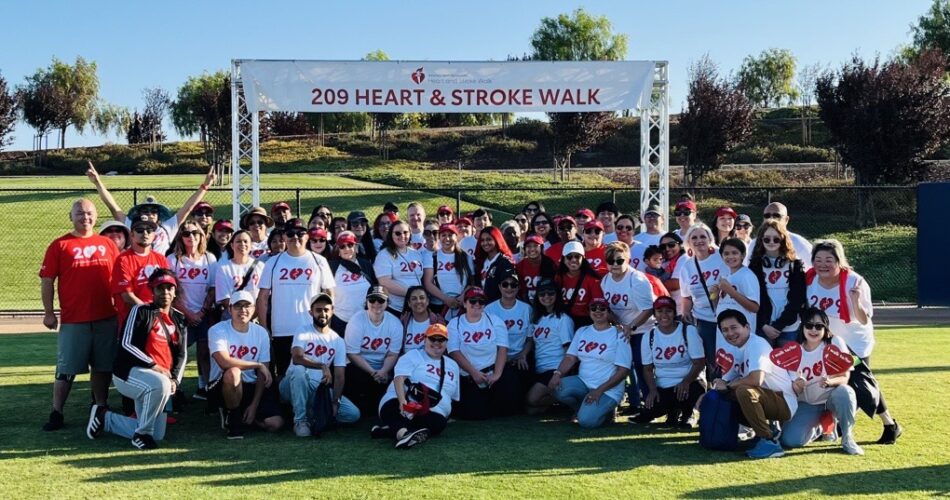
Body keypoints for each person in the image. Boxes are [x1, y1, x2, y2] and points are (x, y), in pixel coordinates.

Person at [807, 239, 901, 444]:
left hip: (854, 346)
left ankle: (888, 424)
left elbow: (864, 318)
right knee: (841, 384)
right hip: (828, 343)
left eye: (829, 260)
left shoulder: (854, 281)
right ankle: (835, 428)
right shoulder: (810, 280)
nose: (823, 264)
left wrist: (856, 301)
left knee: (860, 383)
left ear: (839, 261)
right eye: (818, 259)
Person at [40, 199, 121, 431]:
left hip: (106, 317)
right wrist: (49, 312)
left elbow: (118, 279)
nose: (85, 217)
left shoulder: (107, 244)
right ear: (71, 216)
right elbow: (47, 281)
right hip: (75, 319)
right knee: (66, 369)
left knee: (102, 366)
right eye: (79, 213)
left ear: (96, 216)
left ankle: (100, 406)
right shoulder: (60, 245)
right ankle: (57, 412)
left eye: (89, 213)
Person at [87, 269, 187, 449]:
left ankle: (104, 418)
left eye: (169, 288)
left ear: (175, 291)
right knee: (160, 387)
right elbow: (126, 344)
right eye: (160, 288)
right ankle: (141, 435)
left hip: (160, 379)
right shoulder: (141, 311)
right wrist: (154, 366)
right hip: (130, 373)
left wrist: (175, 380)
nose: (165, 293)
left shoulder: (179, 318)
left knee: (157, 434)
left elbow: (181, 354)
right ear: (152, 290)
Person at [711, 309, 796, 459]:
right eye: (725, 330)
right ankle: (759, 432)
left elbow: (756, 379)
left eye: (734, 327)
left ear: (747, 327)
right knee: (725, 394)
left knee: (744, 391)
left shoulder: (757, 344)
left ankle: (769, 442)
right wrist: (717, 386)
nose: (730, 333)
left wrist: (729, 386)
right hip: (767, 398)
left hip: (784, 402)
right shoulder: (736, 347)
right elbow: (727, 380)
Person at [778, 307, 863, 455]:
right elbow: (793, 389)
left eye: (819, 326)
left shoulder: (835, 342)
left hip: (831, 399)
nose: (814, 330)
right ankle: (821, 427)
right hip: (807, 403)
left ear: (825, 328)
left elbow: (845, 377)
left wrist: (830, 382)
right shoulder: (795, 351)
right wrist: (797, 385)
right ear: (802, 327)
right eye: (809, 325)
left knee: (845, 392)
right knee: (790, 441)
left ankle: (847, 437)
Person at [257, 218, 335, 378]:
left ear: (307, 236)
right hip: (282, 330)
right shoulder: (272, 262)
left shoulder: (319, 261)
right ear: (284, 237)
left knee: (315, 375)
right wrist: (265, 328)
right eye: (290, 234)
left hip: (311, 328)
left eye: (300, 233)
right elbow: (263, 298)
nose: (295, 237)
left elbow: (329, 295)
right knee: (286, 376)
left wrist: (326, 325)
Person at [86, 160, 216, 255]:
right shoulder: (132, 226)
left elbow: (188, 207)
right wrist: (97, 182)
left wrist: (205, 186)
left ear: (159, 215)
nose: (150, 214)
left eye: (154, 211)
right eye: (145, 211)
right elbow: (113, 207)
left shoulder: (167, 228)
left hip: (159, 274)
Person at [280, 293, 360, 437]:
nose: (322, 313)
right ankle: (300, 421)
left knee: (352, 414)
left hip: (317, 390)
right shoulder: (303, 331)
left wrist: (335, 402)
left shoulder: (337, 340)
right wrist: (322, 366)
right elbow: (297, 358)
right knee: (299, 371)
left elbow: (340, 375)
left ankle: (313, 414)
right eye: (318, 310)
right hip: (292, 385)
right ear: (311, 312)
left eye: (326, 309)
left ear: (332, 311)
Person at [208, 291, 283, 439]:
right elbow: (224, 362)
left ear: (254, 309)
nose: (243, 310)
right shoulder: (217, 330)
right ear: (229, 310)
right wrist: (257, 365)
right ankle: (233, 418)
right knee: (234, 372)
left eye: (247, 306)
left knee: (276, 423)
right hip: (222, 383)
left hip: (251, 384)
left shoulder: (261, 333)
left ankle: (249, 418)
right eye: (238, 306)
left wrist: (254, 405)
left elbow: (264, 372)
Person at [374, 323, 461, 449]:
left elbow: (453, 396)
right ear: (424, 339)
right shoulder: (413, 355)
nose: (437, 342)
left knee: (439, 423)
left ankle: (387, 430)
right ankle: (403, 435)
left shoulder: (453, 365)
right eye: (432, 338)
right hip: (405, 402)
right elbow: (399, 378)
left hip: (430, 411)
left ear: (447, 342)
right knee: (393, 408)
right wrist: (402, 402)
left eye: (441, 339)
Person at [549, 298, 632, 428]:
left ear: (608, 312)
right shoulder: (582, 331)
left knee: (586, 422)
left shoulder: (619, 335)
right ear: (589, 312)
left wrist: (599, 390)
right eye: (593, 309)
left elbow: (623, 371)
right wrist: (557, 373)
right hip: (584, 382)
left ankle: (606, 412)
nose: (597, 312)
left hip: (608, 390)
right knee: (557, 388)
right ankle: (582, 409)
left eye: (602, 309)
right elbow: (570, 357)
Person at [601, 241, 658, 413]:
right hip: (623, 329)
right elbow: (610, 308)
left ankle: (651, 405)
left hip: (642, 329)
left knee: (643, 368)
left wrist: (630, 327)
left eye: (619, 260)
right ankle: (634, 404)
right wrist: (616, 324)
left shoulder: (637, 280)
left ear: (628, 260)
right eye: (611, 261)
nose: (615, 265)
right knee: (625, 367)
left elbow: (649, 309)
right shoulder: (605, 280)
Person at [447, 287, 519, 419]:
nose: (477, 305)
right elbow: (453, 351)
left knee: (507, 410)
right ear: (464, 303)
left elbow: (502, 348)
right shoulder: (454, 323)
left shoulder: (495, 321)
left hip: (493, 373)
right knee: (477, 415)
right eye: (472, 301)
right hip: (469, 375)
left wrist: (497, 375)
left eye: (481, 302)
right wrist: (474, 373)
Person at [634, 296, 705, 427]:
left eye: (668, 311)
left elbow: (699, 362)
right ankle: (672, 412)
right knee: (649, 412)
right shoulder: (648, 336)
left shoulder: (688, 330)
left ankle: (688, 413)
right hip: (664, 385)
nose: (664, 315)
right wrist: (652, 390)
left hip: (689, 382)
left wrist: (686, 382)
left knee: (689, 392)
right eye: (660, 311)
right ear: (654, 314)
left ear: (674, 313)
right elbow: (648, 368)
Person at [167, 220, 218, 400]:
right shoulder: (173, 260)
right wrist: (188, 313)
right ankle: (174, 390)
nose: (191, 237)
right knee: (179, 354)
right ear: (180, 237)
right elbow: (170, 293)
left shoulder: (209, 258)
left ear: (201, 236)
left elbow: (213, 288)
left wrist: (201, 312)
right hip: (180, 315)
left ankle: (208, 390)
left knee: (205, 353)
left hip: (203, 314)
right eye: (186, 233)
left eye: (195, 233)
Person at [344, 286, 403, 416]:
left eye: (381, 300)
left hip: (383, 368)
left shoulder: (395, 323)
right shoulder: (356, 321)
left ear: (387, 303)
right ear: (367, 302)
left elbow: (393, 353)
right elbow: (352, 353)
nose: (376, 304)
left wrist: (383, 371)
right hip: (359, 366)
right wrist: (373, 372)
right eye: (372, 300)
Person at [678, 223, 727, 379]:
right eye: (694, 237)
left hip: (727, 316)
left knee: (728, 356)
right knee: (712, 360)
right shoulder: (687, 266)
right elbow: (686, 295)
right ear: (689, 242)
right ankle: (714, 391)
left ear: (709, 239)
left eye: (702, 237)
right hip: (704, 320)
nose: (699, 241)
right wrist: (685, 312)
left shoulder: (721, 256)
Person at [749, 221, 806, 346]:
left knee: (787, 364)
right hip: (764, 326)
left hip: (789, 326)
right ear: (760, 241)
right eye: (767, 239)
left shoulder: (795, 265)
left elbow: (798, 298)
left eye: (776, 239)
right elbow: (753, 298)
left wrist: (779, 325)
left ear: (783, 240)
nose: (771, 242)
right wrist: (763, 324)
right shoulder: (754, 265)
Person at [524, 279, 574, 415]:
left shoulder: (563, 319)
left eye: (550, 293)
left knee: (532, 399)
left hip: (554, 369)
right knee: (530, 411)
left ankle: (572, 400)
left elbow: (569, 352)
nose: (546, 297)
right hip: (540, 368)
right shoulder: (536, 318)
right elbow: (530, 340)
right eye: (542, 294)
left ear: (557, 295)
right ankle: (560, 405)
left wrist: (560, 373)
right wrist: (523, 354)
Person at [112, 217, 170, 331]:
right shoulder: (123, 260)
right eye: (140, 230)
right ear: (132, 234)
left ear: (154, 235)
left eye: (149, 230)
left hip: (158, 320)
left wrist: (162, 315)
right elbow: (127, 296)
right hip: (133, 322)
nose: (145, 233)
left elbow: (168, 290)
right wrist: (151, 313)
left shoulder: (161, 259)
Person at [486, 268, 532, 397]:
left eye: (514, 285)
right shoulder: (489, 309)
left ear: (518, 287)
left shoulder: (526, 309)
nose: (509, 288)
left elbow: (530, 339)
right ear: (500, 287)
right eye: (505, 284)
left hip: (520, 358)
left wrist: (523, 355)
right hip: (497, 360)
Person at [328, 231, 376, 333]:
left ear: (356, 247)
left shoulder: (366, 265)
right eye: (342, 246)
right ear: (338, 250)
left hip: (365, 318)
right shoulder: (331, 267)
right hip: (339, 320)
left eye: (350, 245)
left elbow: (375, 287)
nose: (347, 249)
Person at [423, 223, 473, 318]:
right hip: (439, 305)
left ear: (456, 236)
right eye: (443, 235)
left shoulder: (466, 257)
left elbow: (471, 282)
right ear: (439, 237)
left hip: (462, 304)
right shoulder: (432, 256)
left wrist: (462, 298)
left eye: (450, 235)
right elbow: (428, 283)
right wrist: (446, 299)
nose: (447, 238)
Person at [374, 220, 424, 315]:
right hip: (396, 308)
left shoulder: (416, 253)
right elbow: (385, 282)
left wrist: (418, 298)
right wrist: (413, 295)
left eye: (405, 232)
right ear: (391, 235)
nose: (402, 236)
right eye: (397, 233)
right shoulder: (384, 255)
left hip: (418, 306)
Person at [716, 238, 761, 335]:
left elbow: (754, 308)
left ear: (743, 255)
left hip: (740, 335)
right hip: (725, 333)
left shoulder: (747, 276)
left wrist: (731, 291)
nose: (730, 256)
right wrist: (715, 295)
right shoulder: (727, 276)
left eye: (734, 253)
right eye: (726, 254)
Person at [214, 230, 265, 316]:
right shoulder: (223, 268)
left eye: (245, 241)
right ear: (232, 245)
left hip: (256, 314)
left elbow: (264, 295)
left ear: (251, 245)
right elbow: (225, 298)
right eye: (238, 241)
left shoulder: (260, 266)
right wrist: (241, 314)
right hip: (232, 315)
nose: (242, 244)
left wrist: (253, 314)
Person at [554, 241, 604, 327]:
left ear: (583, 258)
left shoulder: (592, 279)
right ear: (563, 259)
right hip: (563, 320)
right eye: (569, 257)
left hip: (585, 322)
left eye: (577, 256)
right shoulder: (559, 277)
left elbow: (597, 304)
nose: (573, 260)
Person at [756, 202, 813, 270]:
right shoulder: (754, 243)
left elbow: (812, 272)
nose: (771, 219)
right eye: (767, 216)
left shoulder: (800, 244)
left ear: (786, 220)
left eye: (776, 216)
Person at [474, 227, 515, 303]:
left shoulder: (505, 262)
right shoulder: (480, 262)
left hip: (497, 307)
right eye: (482, 240)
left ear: (497, 240)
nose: (485, 243)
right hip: (480, 306)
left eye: (489, 239)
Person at [401, 286, 445, 352]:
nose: (418, 301)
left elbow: (441, 350)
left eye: (422, 298)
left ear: (427, 301)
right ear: (409, 303)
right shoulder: (402, 322)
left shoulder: (438, 322)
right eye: (414, 299)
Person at [515, 234, 557, 303]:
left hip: (547, 301)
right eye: (529, 246)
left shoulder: (550, 264)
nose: (532, 249)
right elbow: (522, 290)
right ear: (524, 249)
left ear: (542, 248)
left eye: (535, 246)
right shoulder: (520, 266)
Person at [659, 232, 686, 309]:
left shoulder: (684, 258)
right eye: (663, 247)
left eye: (671, 245)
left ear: (680, 245)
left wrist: (654, 284)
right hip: (668, 309)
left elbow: (675, 284)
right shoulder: (662, 261)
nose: (667, 249)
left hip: (682, 310)